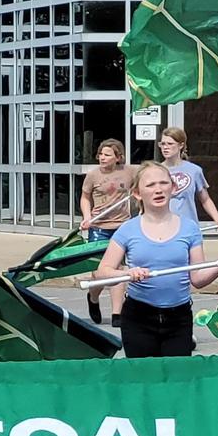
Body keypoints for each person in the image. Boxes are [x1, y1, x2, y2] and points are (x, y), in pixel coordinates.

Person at [95, 160, 218, 358]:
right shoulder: (127, 229)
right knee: (144, 379)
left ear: (174, 187)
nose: (158, 190)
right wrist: (127, 273)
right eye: (150, 185)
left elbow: (198, 278)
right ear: (137, 194)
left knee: (178, 379)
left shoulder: (189, 228)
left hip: (179, 318)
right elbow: (103, 271)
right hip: (138, 317)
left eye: (163, 183)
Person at [80, 139, 133, 326]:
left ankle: (117, 313)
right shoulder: (93, 175)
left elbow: (148, 177)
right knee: (100, 272)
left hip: (122, 227)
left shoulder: (128, 172)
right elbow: (85, 197)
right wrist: (87, 217)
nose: (102, 158)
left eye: (107, 154)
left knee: (118, 270)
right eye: (101, 154)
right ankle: (93, 298)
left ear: (118, 157)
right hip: (99, 227)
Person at [158, 127, 218, 234]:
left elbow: (205, 199)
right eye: (162, 144)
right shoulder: (155, 171)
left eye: (170, 144)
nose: (165, 147)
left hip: (188, 227)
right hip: (162, 227)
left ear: (181, 145)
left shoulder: (194, 170)